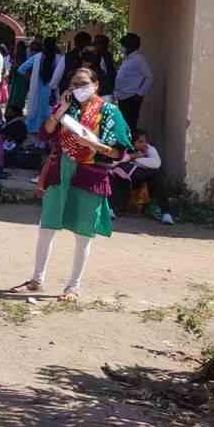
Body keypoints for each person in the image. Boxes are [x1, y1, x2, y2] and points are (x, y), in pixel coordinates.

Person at [19, 68, 132, 302]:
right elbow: (45, 134)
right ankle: (37, 280)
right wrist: (60, 109)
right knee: (47, 225)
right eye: (73, 84)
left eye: (83, 83)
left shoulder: (109, 112)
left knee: (83, 232)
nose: (77, 88)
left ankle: (73, 286)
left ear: (96, 85)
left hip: (90, 174)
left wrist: (95, 145)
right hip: (60, 170)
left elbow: (118, 152)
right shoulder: (67, 108)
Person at [108, 129, 171, 223]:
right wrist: (132, 156)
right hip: (123, 179)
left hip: (139, 179)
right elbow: (113, 163)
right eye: (140, 142)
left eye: (145, 141)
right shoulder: (123, 148)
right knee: (113, 174)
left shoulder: (149, 148)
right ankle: (110, 209)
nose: (145, 144)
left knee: (157, 174)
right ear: (132, 143)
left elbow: (156, 163)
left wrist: (135, 160)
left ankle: (165, 213)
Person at [18, 37, 66, 140]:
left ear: (44, 46)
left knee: (35, 117)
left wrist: (32, 78)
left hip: (37, 91)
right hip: (52, 93)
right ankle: (45, 142)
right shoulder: (60, 58)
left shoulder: (37, 57)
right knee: (50, 116)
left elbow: (21, 69)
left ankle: (37, 142)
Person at [114, 33, 153, 132]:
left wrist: (140, 94)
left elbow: (149, 77)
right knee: (124, 124)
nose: (121, 48)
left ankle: (131, 141)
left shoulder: (139, 59)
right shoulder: (127, 58)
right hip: (122, 96)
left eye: (123, 46)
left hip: (131, 98)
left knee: (129, 125)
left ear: (130, 46)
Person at [6, 40, 31, 118]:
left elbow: (16, 67)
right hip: (20, 79)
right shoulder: (24, 56)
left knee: (16, 95)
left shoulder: (20, 57)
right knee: (19, 96)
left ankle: (15, 112)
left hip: (19, 79)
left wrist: (15, 66)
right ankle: (17, 111)